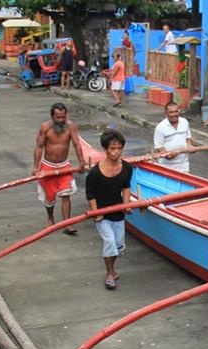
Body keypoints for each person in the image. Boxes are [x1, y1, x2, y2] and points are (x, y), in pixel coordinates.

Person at [86, 130, 133, 290]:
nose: (115, 152)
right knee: (110, 242)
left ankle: (112, 268)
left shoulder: (127, 168)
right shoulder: (95, 172)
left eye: (119, 148)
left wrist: (126, 205)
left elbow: (126, 187)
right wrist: (96, 212)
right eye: (112, 149)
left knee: (119, 245)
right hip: (102, 213)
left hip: (118, 212)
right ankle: (109, 273)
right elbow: (90, 194)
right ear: (105, 150)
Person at [32, 103, 87, 234]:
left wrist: (81, 162)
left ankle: (67, 223)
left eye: (63, 117)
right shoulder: (45, 128)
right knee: (49, 196)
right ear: (52, 116)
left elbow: (76, 144)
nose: (61, 120)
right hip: (48, 166)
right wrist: (36, 167)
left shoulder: (70, 126)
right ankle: (50, 220)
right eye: (58, 117)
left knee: (66, 194)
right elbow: (39, 147)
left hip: (64, 166)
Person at [153, 102, 193, 172]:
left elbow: (188, 137)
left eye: (176, 111)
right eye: (171, 112)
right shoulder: (160, 127)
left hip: (183, 164)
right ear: (166, 114)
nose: (174, 114)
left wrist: (189, 146)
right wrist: (167, 154)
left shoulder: (184, 122)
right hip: (166, 165)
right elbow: (159, 146)